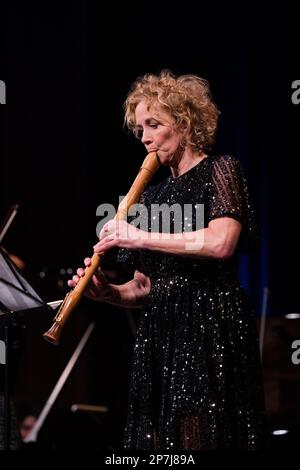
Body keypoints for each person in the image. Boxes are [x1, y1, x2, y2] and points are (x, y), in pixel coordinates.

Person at [68, 70, 265, 450]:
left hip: (210, 325)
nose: (144, 137)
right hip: (161, 331)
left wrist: (139, 235)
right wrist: (107, 292)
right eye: (140, 127)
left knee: (203, 436)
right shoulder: (152, 197)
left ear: (185, 123)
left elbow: (221, 242)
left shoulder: (220, 169)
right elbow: (144, 286)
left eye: (153, 124)